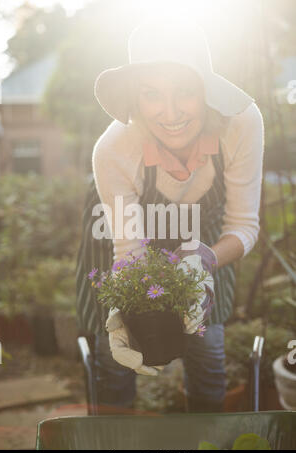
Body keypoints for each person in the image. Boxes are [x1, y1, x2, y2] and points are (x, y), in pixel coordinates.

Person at [76, 17, 264, 412]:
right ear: (135, 97)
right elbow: (129, 250)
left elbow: (244, 226)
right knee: (115, 367)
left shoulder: (241, 124)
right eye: (152, 94)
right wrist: (129, 299)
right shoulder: (113, 149)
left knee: (207, 356)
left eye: (185, 92)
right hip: (118, 236)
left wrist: (203, 259)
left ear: (207, 92)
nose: (171, 112)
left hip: (202, 239)